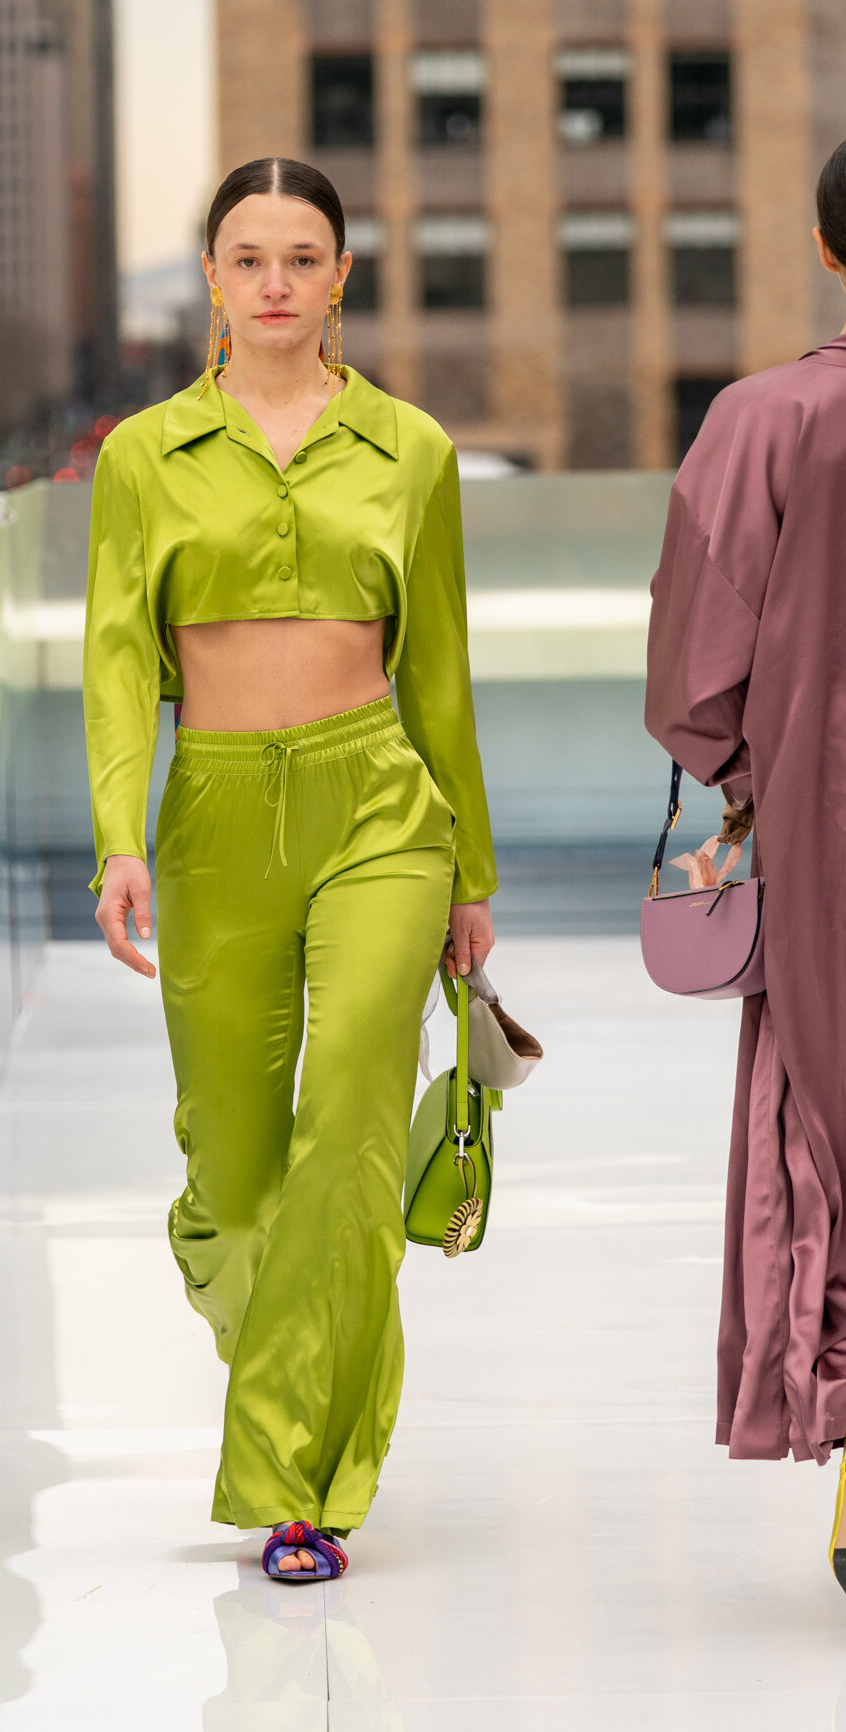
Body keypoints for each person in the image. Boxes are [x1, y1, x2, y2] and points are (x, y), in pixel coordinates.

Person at [83, 157, 496, 1580]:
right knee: (234, 1169)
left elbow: (439, 675)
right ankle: (302, 1381)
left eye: (302, 257)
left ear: (341, 277)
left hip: (380, 809)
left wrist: (471, 873)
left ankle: (299, 1483)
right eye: (248, 258)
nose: (275, 283)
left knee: (353, 1134)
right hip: (211, 816)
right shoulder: (143, 456)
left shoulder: (411, 450)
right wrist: (120, 836)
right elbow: (118, 661)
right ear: (211, 277)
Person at [646, 141, 846, 1594]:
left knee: (831, 1121)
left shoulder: (764, 421)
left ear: (829, 250)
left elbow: (694, 674)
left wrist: (751, 777)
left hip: (830, 840)